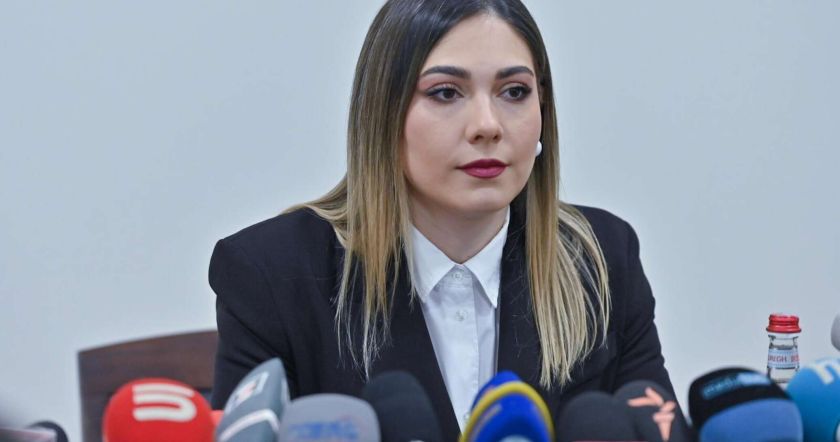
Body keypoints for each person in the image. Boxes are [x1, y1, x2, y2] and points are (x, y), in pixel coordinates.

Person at [208, 0, 674, 439]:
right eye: (446, 92)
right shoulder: (270, 274)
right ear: (383, 116)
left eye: (514, 91)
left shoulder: (602, 258)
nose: (487, 125)